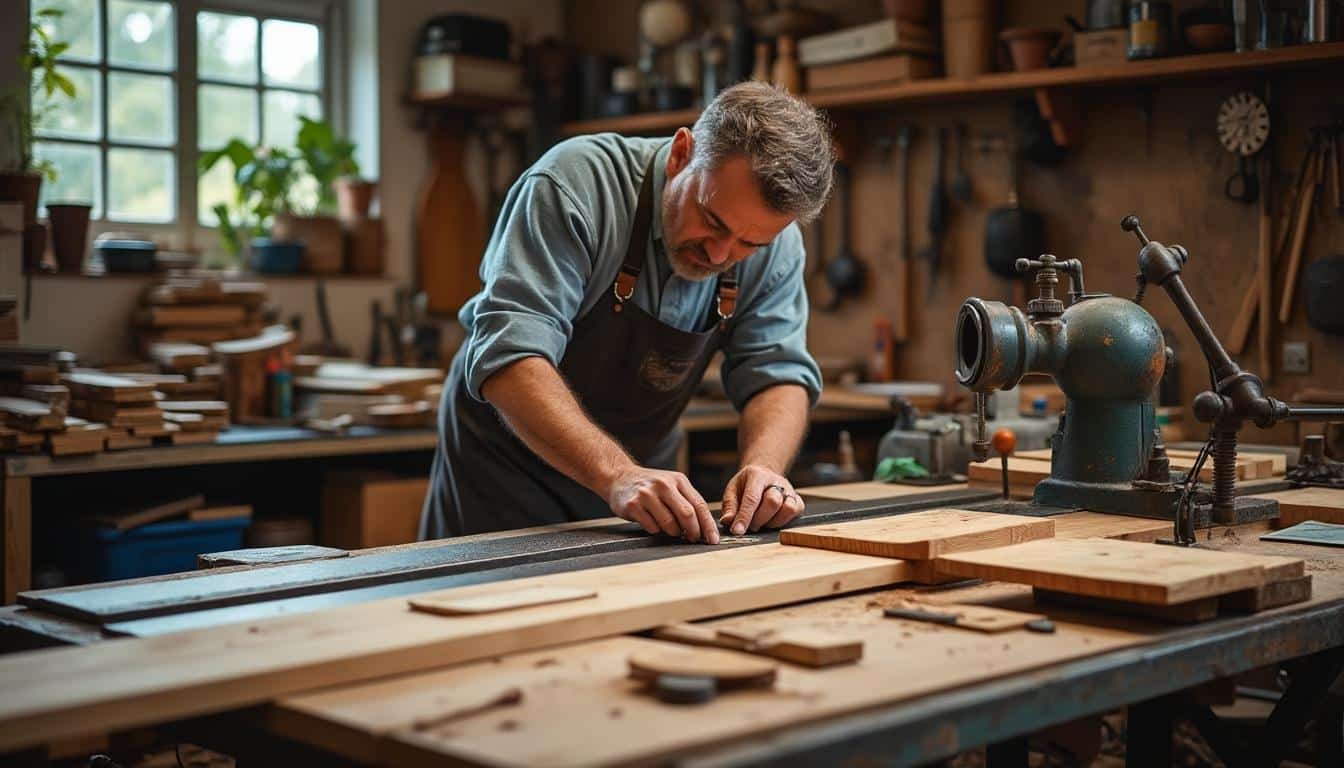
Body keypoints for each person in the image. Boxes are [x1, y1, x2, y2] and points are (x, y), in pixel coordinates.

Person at [421, 81, 834, 544]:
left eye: (749, 245)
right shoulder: (573, 184)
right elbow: (511, 357)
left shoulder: (777, 248)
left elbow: (777, 373)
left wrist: (765, 468)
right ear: (681, 155)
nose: (721, 255)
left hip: (645, 487)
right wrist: (617, 475)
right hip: (506, 476)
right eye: (713, 221)